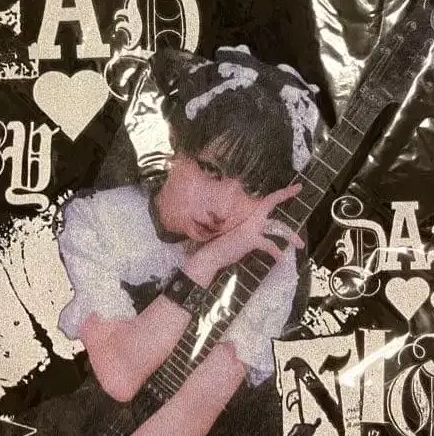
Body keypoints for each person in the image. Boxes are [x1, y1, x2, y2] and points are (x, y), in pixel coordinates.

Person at [27, 45, 322, 436]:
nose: (223, 209)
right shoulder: (98, 220)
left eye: (251, 189)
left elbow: (191, 414)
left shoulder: (266, 263)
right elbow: (120, 374)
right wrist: (209, 259)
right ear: (175, 147)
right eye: (211, 170)